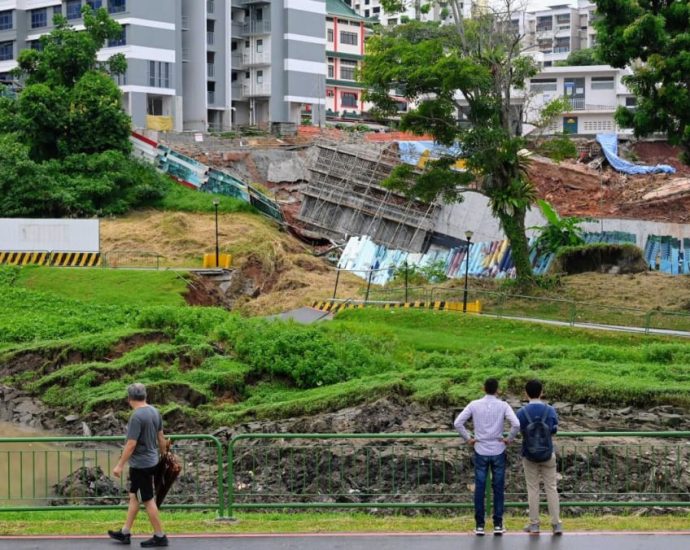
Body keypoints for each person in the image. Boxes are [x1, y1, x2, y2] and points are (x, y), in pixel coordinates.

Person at [454, 378, 520, 536]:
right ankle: (498, 524)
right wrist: (508, 439)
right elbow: (516, 424)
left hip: (480, 449)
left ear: (483, 388)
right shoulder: (503, 405)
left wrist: (468, 438)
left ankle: (480, 525)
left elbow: (458, 423)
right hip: (498, 449)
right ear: (498, 390)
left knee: (480, 488)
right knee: (498, 488)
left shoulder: (474, 404)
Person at [108, 383, 169, 547]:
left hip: (141, 466)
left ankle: (160, 536)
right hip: (152, 461)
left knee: (148, 500)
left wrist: (120, 465)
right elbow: (161, 438)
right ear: (145, 396)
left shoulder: (136, 416)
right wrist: (163, 456)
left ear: (129, 399)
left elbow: (131, 444)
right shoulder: (155, 412)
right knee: (134, 496)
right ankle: (125, 532)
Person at [516, 379, 563, 536]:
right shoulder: (550, 410)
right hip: (547, 453)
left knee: (533, 488)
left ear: (526, 393)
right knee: (551, 487)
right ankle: (556, 524)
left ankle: (534, 524)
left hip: (529, 454)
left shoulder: (521, 412)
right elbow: (554, 429)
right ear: (542, 392)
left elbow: (519, 429)